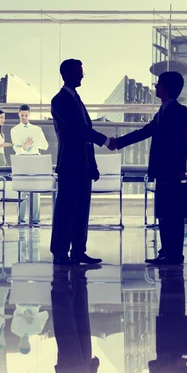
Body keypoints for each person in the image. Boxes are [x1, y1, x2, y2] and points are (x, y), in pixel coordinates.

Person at [109, 71, 187, 265]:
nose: (155, 86)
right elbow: (146, 131)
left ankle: (174, 253)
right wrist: (119, 142)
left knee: (172, 213)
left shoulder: (178, 111)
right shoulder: (163, 110)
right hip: (163, 169)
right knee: (164, 210)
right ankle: (167, 250)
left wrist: (180, 167)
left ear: (167, 88)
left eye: (159, 83)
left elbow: (181, 142)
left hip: (171, 169)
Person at [50, 59, 111, 265]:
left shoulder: (76, 99)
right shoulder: (59, 100)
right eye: (79, 72)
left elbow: (84, 137)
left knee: (81, 208)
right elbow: (78, 131)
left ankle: (78, 250)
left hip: (82, 164)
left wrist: (92, 165)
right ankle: (60, 252)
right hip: (70, 163)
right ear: (67, 74)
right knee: (66, 209)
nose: (82, 75)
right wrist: (105, 140)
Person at [51, 265, 100, 373]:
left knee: (66, 326)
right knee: (81, 322)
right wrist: (93, 372)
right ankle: (78, 279)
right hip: (80, 372)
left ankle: (60, 280)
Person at [11, 104, 49, 225]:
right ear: (19, 114)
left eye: (26, 115)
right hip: (21, 159)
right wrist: (24, 147)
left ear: (29, 115)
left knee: (36, 190)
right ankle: (21, 219)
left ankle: (35, 220)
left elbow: (45, 145)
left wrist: (32, 145)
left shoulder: (37, 129)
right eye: (22, 115)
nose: (24, 117)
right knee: (22, 189)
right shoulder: (14, 130)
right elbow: (16, 149)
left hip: (34, 159)